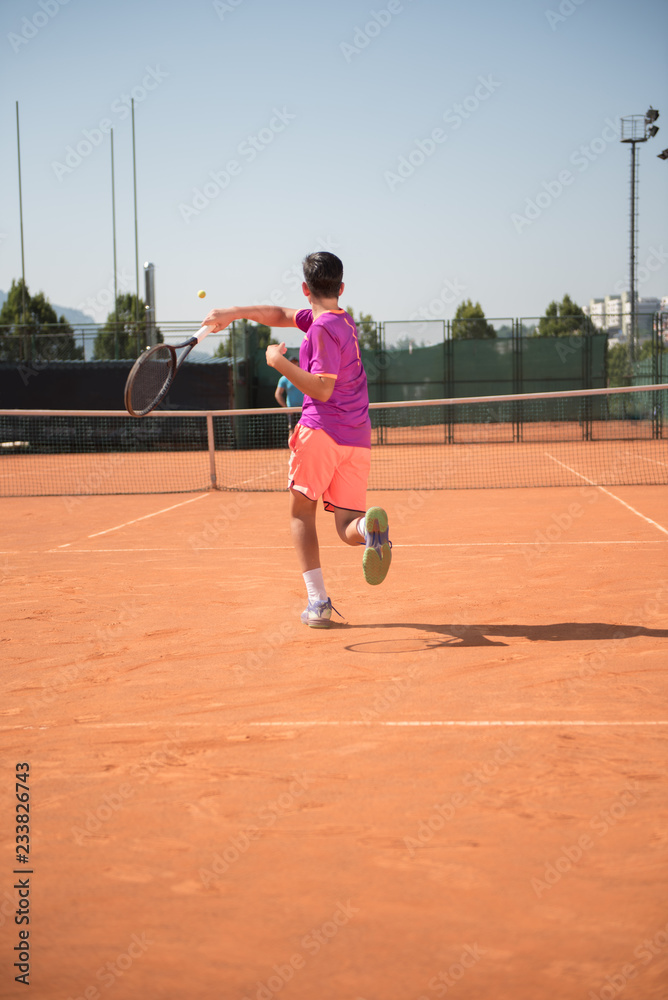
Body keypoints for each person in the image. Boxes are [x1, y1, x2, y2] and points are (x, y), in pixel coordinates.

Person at [202, 251, 391, 628]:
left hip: (321, 430)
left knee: (301, 512)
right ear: (341, 288)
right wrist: (231, 312)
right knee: (346, 526)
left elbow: (321, 389)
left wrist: (278, 362)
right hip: (357, 437)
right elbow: (280, 315)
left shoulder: (321, 330)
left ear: (305, 288)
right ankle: (371, 533)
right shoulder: (342, 321)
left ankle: (318, 603)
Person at [275, 357, 304, 434]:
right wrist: (286, 408)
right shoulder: (283, 379)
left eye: (295, 362)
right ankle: (291, 446)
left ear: (298, 363)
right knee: (292, 430)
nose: (294, 364)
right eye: (292, 362)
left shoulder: (304, 376)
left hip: (304, 410)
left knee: (305, 431)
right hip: (292, 410)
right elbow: (278, 394)